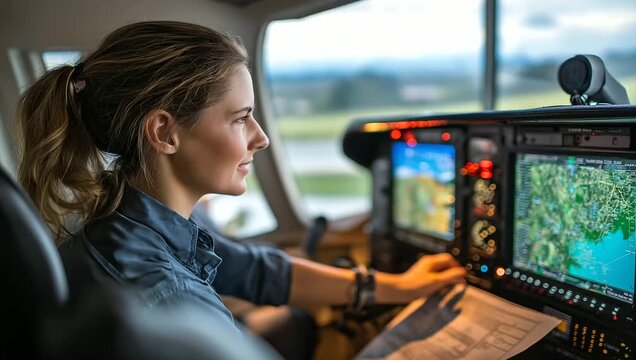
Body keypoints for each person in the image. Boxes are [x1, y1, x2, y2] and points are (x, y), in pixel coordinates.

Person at [17, 20, 466, 352]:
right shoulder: (168, 295)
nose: (261, 137)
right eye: (239, 118)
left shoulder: (122, 222)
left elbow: (255, 269)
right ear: (163, 133)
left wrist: (397, 287)